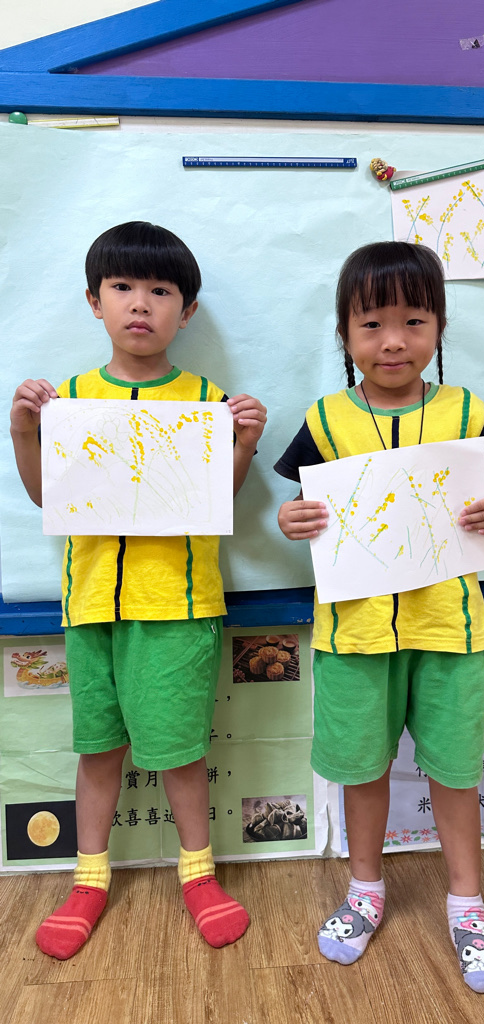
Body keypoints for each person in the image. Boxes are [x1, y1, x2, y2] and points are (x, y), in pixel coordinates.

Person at [275, 241, 484, 994]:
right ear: (344, 334)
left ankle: (467, 906)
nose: (393, 341)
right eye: (371, 324)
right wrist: (291, 518)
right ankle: (365, 891)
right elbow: (299, 506)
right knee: (362, 769)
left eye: (414, 321)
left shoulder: (464, 410)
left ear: (439, 327)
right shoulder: (325, 419)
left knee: (455, 772)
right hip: (354, 635)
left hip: (450, 629)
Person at [10, 221, 267, 960]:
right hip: (91, 604)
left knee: (179, 752)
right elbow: (44, 496)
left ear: (187, 311)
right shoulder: (69, 399)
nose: (141, 303)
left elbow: (214, 503)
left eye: (161, 290)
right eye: (122, 287)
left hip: (177, 606)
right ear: (95, 302)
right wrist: (24, 430)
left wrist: (243, 442)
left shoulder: (205, 399)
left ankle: (198, 873)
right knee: (98, 748)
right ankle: (88, 879)